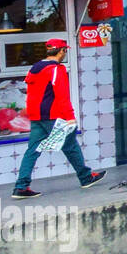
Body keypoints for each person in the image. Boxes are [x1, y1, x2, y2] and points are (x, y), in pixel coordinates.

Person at [12, 38, 106, 199]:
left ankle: (21, 187)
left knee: (33, 150)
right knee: (70, 145)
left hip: (36, 115)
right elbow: (62, 95)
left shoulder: (35, 67)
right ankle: (86, 177)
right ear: (61, 51)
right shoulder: (56, 69)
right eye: (65, 51)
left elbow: (30, 91)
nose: (65, 54)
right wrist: (70, 117)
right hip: (52, 115)